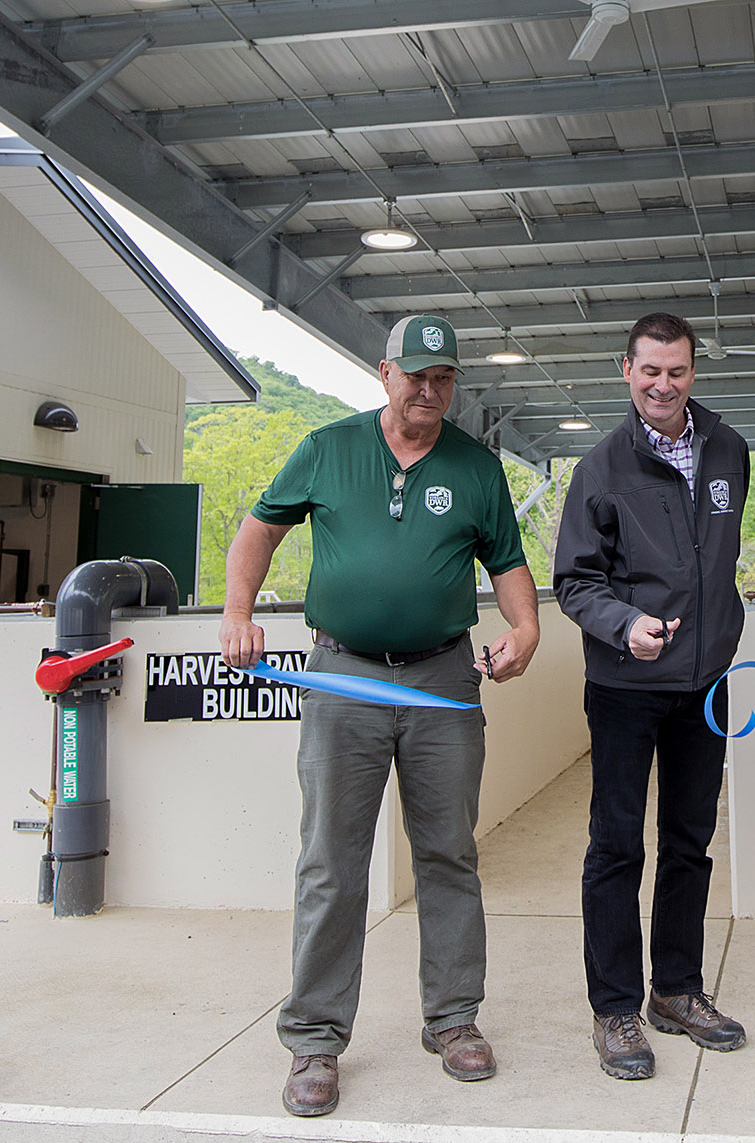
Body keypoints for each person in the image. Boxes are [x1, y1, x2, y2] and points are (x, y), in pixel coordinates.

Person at [218, 313, 540, 1117]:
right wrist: (237, 612)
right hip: (344, 675)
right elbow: (258, 529)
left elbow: (507, 565)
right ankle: (316, 1039)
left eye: (444, 378)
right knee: (330, 860)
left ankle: (455, 1019)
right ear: (385, 372)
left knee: (448, 854)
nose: (429, 389)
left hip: (441, 678)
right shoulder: (328, 447)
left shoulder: (476, 467)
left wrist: (526, 629)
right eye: (416, 374)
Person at [554, 312, 751, 1080]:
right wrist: (623, 622)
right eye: (649, 371)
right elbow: (574, 580)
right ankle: (615, 1010)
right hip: (625, 686)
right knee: (615, 846)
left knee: (690, 843)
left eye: (676, 371)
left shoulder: (729, 448)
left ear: (692, 372)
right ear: (626, 371)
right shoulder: (600, 467)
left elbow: (718, 565)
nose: (662, 385)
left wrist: (719, 641)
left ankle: (676, 988)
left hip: (705, 684)